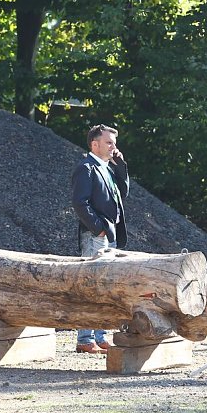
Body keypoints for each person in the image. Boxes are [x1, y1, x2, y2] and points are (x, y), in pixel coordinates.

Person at [71, 124, 130, 354]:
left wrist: (121, 166)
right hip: (96, 237)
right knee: (89, 285)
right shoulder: (85, 168)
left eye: (114, 143)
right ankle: (85, 339)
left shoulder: (106, 167)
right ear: (95, 144)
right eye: (109, 142)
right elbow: (79, 203)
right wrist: (99, 229)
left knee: (104, 288)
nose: (113, 147)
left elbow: (122, 194)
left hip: (110, 236)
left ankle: (100, 336)